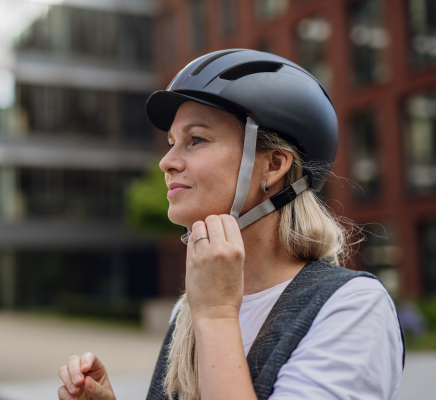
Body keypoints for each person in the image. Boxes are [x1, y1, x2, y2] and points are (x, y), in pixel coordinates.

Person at [57, 50, 404, 400]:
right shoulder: (188, 309)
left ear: (274, 165)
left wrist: (217, 317)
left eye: (196, 139)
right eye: (171, 143)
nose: (166, 162)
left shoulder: (352, 308)